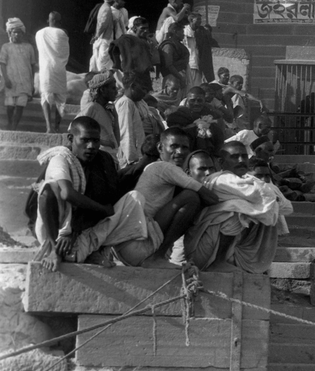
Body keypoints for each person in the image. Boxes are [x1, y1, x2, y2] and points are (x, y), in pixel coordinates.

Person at [33, 116, 159, 270]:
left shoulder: (104, 160)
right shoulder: (61, 160)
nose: (91, 146)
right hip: (59, 231)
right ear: (71, 138)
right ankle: (53, 250)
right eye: (85, 140)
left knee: (135, 198)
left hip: (88, 228)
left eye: (96, 140)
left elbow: (111, 199)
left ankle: (97, 250)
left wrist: (79, 228)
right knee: (49, 188)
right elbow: (67, 194)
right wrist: (72, 229)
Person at [184, 140, 292, 273]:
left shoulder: (249, 180)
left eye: (244, 156)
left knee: (266, 210)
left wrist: (268, 196)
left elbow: (287, 208)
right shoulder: (221, 179)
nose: (241, 160)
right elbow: (263, 196)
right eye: (234, 157)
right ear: (221, 163)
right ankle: (219, 262)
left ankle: (237, 261)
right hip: (201, 248)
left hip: (231, 244)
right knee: (238, 207)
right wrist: (269, 195)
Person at [131, 127, 219, 267]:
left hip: (136, 240)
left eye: (185, 148)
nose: (180, 152)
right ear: (160, 147)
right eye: (174, 146)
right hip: (140, 240)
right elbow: (213, 199)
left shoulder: (155, 167)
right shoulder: (165, 168)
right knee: (191, 197)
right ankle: (157, 256)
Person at [115, 75, 163, 170]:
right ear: (133, 86)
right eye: (143, 89)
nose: (145, 93)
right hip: (130, 158)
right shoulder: (125, 103)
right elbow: (126, 132)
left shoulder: (138, 102)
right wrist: (131, 159)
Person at [35, 13, 70, 133]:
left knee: (45, 96)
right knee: (60, 98)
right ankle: (56, 127)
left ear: (48, 20)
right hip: (59, 68)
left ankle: (49, 127)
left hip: (46, 68)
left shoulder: (40, 33)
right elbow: (65, 52)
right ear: (58, 21)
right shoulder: (62, 33)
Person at [1, 18, 36, 129]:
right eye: (15, 32)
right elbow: (2, 64)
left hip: (24, 82)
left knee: (20, 106)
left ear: (23, 34)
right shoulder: (6, 47)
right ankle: (10, 123)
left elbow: (32, 66)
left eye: (20, 32)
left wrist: (32, 83)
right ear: (10, 33)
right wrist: (6, 79)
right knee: (10, 106)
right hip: (10, 81)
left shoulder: (29, 48)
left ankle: (14, 127)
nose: (17, 34)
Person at [80, 72, 119, 156]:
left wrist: (116, 117)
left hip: (111, 157)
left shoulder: (108, 111)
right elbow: (75, 130)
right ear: (102, 90)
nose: (116, 92)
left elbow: (116, 143)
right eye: (113, 88)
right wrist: (102, 142)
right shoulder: (92, 107)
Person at [156, 21, 189, 101]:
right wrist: (180, 77)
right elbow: (169, 64)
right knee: (171, 100)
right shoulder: (168, 45)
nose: (183, 35)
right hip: (172, 77)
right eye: (182, 32)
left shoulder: (177, 44)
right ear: (175, 32)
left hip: (179, 75)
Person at [89, 0, 118, 72]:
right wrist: (96, 36)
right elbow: (103, 24)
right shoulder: (107, 9)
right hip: (105, 38)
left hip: (102, 37)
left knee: (100, 58)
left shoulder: (103, 7)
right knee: (104, 60)